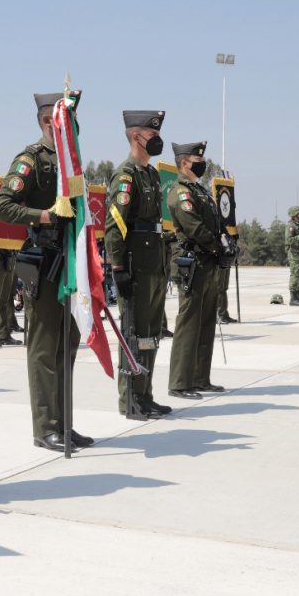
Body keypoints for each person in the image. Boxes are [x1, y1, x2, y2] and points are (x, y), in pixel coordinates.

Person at [0, 90, 94, 452]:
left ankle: (64, 424)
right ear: (48, 120)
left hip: (71, 261)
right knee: (43, 348)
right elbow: (3, 206)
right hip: (44, 259)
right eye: (66, 118)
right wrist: (45, 215)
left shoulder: (74, 162)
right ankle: (45, 426)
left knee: (67, 345)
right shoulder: (31, 159)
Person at [105, 110, 172, 418]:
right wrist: (118, 268)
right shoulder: (126, 175)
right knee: (134, 332)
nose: (157, 139)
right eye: (152, 134)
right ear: (136, 136)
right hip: (136, 265)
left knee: (150, 334)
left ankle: (145, 393)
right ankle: (130, 397)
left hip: (153, 264)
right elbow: (114, 226)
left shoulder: (151, 174)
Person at [167, 141, 229, 400]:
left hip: (208, 262)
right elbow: (193, 227)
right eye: (196, 161)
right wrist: (218, 247)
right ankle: (180, 382)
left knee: (205, 323)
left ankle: (201, 378)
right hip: (192, 262)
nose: (201, 164)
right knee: (189, 323)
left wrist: (225, 243)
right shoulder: (180, 192)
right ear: (183, 163)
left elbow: (214, 224)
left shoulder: (200, 190)